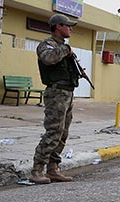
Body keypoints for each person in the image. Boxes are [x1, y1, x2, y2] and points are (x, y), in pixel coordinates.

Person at [29, 13, 81, 184]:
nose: (70, 28)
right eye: (68, 25)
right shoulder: (47, 45)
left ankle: (53, 169)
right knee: (53, 132)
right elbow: (48, 59)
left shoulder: (62, 46)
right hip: (56, 93)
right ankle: (37, 170)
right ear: (58, 26)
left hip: (67, 93)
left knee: (62, 133)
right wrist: (66, 50)